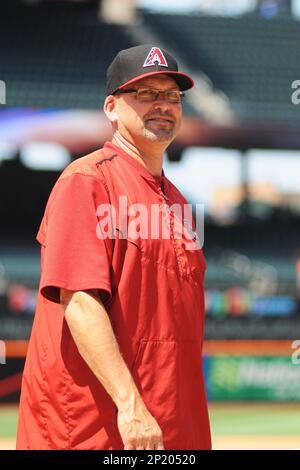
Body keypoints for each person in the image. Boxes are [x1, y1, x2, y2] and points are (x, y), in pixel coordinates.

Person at [16, 45, 211, 450]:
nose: (163, 105)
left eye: (172, 95)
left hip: (172, 420)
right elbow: (81, 302)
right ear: (111, 107)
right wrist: (131, 405)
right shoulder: (86, 182)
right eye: (146, 94)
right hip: (96, 425)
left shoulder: (179, 201)